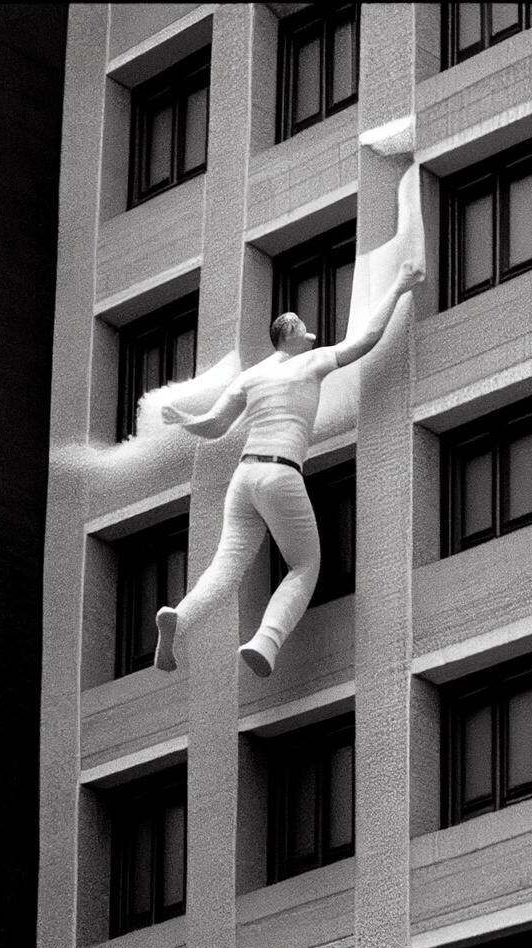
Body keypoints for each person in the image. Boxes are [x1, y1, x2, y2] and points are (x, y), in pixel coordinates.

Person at [154, 162, 425, 679]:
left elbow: (214, 427)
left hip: (243, 476)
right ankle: (266, 641)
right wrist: (399, 287)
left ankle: (179, 619)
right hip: (280, 472)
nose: (311, 332)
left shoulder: (253, 377)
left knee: (227, 566)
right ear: (288, 337)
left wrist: (181, 418)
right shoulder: (309, 362)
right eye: (302, 328)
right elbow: (363, 342)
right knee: (306, 565)